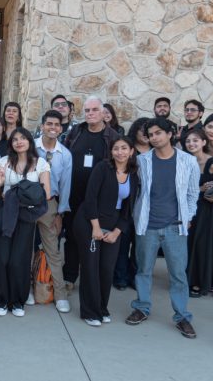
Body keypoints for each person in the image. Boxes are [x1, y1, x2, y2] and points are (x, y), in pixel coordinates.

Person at [125, 118, 200, 340]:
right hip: (147, 225)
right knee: (143, 270)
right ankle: (142, 307)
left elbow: (193, 193)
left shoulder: (188, 161)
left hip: (175, 227)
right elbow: (137, 192)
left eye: (159, 133)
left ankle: (182, 316)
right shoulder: (142, 161)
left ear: (170, 134)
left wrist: (188, 217)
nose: (154, 137)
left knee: (178, 274)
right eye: (151, 134)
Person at [74, 137, 140, 326]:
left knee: (106, 269)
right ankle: (89, 311)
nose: (120, 152)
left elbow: (128, 207)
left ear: (131, 151)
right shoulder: (103, 168)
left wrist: (117, 231)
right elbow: (90, 198)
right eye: (116, 148)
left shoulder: (133, 175)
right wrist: (95, 227)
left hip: (113, 226)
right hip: (89, 222)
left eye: (124, 148)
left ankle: (102, 308)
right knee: (90, 268)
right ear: (111, 152)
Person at [0, 127, 51, 317]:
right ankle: (1, 301)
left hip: (26, 216)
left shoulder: (40, 163)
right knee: (2, 258)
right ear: (11, 144)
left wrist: (18, 193)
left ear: (29, 141)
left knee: (19, 260)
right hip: (5, 213)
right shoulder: (4, 162)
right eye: (15, 139)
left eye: (23, 138)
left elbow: (46, 194)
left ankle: (18, 301)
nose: (19, 142)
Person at [62, 96, 119, 290]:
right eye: (87, 110)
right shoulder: (76, 131)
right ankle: (69, 277)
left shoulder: (112, 136)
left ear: (104, 113)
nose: (90, 114)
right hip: (73, 194)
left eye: (94, 110)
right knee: (71, 236)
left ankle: (90, 281)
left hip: (97, 199)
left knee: (93, 239)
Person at [183, 128, 213, 297]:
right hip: (190, 207)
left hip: (207, 210)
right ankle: (190, 279)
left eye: (195, 140)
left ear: (203, 143)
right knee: (190, 244)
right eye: (188, 141)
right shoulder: (186, 161)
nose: (191, 144)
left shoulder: (212, 163)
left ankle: (200, 282)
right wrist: (198, 189)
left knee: (202, 245)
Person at [34, 110, 73, 313]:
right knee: (25, 248)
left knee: (53, 251)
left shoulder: (65, 154)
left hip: (50, 204)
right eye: (49, 123)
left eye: (56, 124)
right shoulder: (31, 147)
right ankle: (27, 289)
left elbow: (65, 185)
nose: (52, 127)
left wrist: (61, 213)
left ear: (61, 128)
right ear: (42, 126)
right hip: (28, 203)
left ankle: (60, 295)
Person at [113, 117, 151, 290]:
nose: (145, 133)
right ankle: (120, 276)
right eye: (141, 129)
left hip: (147, 204)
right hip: (128, 202)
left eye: (148, 130)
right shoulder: (128, 150)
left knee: (139, 245)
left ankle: (135, 276)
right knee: (123, 241)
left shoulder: (156, 152)